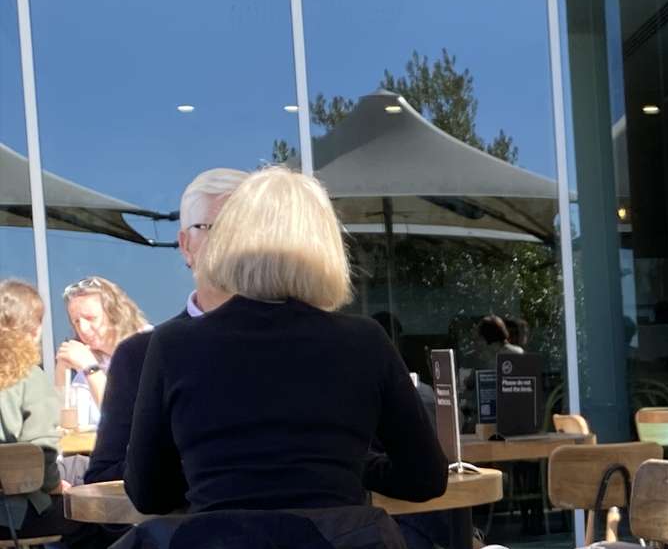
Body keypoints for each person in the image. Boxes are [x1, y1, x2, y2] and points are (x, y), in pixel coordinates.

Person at [125, 165, 448, 515]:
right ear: (325, 246)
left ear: (230, 241)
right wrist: (352, 464)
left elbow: (148, 494)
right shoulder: (364, 341)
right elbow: (425, 478)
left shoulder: (174, 344)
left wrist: (212, 474)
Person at [88, 168, 248, 486]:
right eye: (214, 228)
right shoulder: (141, 355)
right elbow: (104, 477)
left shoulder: (307, 343)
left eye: (245, 228)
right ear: (185, 245)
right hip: (187, 532)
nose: (232, 242)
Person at [0, 279, 96, 549]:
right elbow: (41, 456)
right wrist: (57, 489)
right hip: (20, 514)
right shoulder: (28, 376)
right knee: (92, 522)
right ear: (31, 327)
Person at [55, 276, 147, 436]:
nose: (83, 328)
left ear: (116, 314)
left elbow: (125, 420)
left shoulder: (148, 348)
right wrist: (61, 372)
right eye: (76, 321)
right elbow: (63, 423)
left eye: (91, 318)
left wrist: (91, 369)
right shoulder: (89, 358)